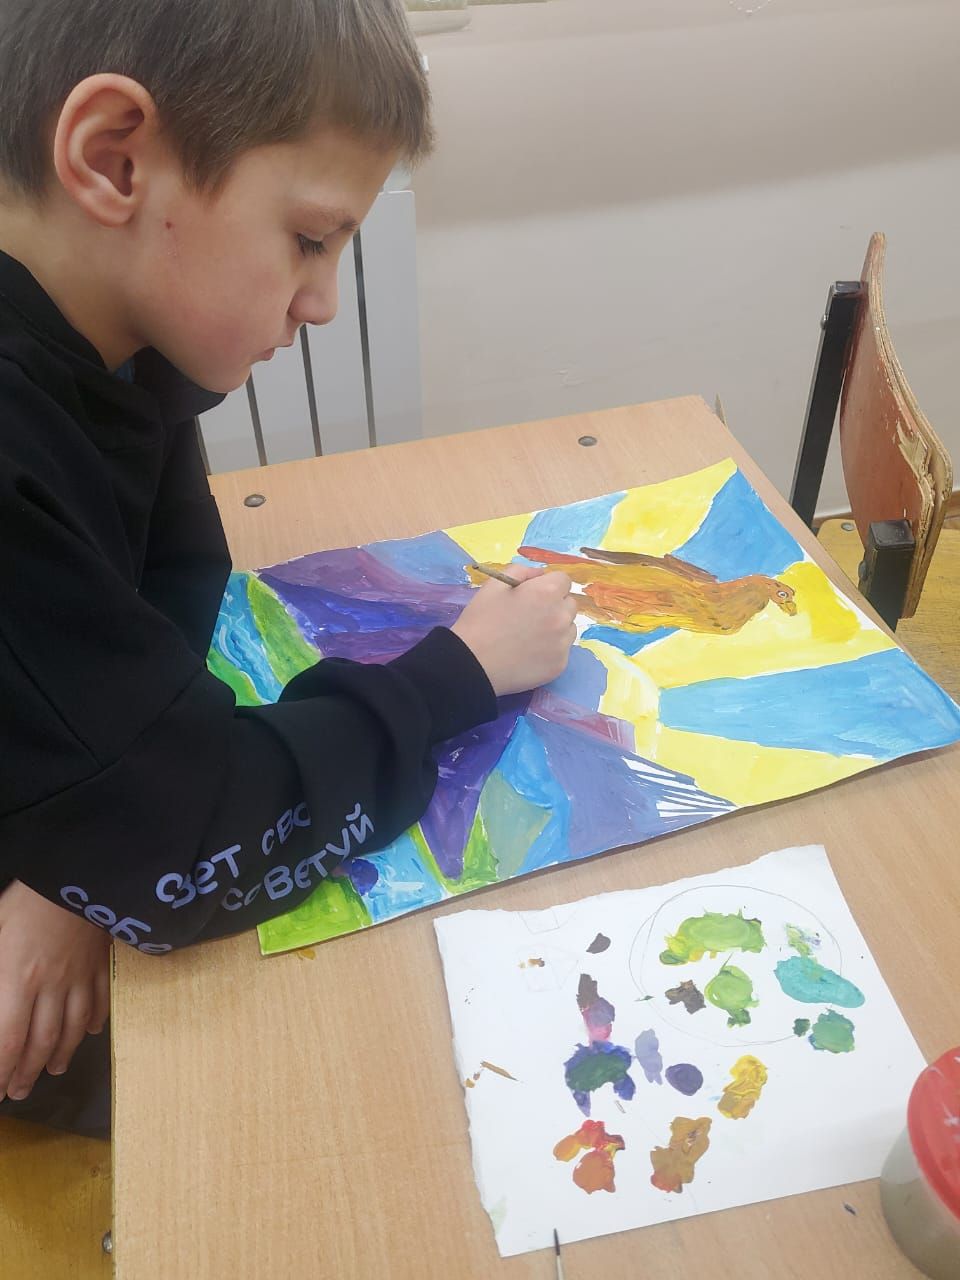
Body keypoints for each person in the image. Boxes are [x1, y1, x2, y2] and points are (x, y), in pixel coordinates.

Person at [0, 0, 576, 1137]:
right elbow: (191, 835)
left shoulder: (110, 335)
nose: (321, 301)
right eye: (310, 240)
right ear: (114, 160)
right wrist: (460, 672)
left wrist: (71, 842)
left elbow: (171, 576)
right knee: (306, 1101)